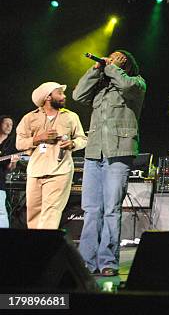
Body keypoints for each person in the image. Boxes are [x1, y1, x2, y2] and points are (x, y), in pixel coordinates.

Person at [73, 50, 146, 277]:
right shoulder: (101, 87)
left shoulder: (136, 83)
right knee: (91, 209)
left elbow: (126, 86)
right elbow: (77, 95)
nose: (111, 58)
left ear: (126, 62)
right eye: (110, 56)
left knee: (111, 209)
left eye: (117, 56)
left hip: (119, 152)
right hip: (94, 152)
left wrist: (113, 68)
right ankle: (86, 262)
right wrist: (95, 70)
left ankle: (107, 262)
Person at [15, 82, 87, 229]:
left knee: (51, 212)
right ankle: (35, 247)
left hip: (60, 170)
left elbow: (83, 139)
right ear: (48, 97)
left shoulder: (70, 117)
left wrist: (73, 144)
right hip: (35, 170)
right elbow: (19, 143)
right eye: (59, 93)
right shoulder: (29, 118)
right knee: (33, 213)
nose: (64, 96)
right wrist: (38, 138)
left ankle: (45, 246)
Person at [0, 116, 19, 228]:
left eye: (11, 125)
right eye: (6, 123)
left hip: (0, 184)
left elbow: (9, 169)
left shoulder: (12, 145)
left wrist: (13, 162)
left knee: (1, 213)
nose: (9, 126)